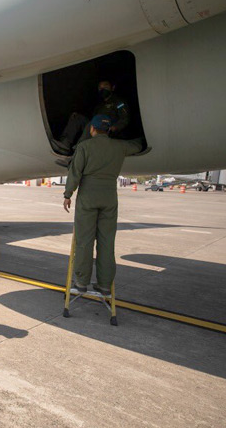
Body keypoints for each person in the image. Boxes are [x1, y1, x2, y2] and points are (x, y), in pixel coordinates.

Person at [62, 115, 144, 294]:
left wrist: (68, 194)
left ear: (92, 129)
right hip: (109, 198)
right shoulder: (119, 147)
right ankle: (105, 285)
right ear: (108, 130)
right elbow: (138, 145)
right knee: (107, 242)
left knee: (84, 241)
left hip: (88, 197)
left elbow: (75, 173)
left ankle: (82, 282)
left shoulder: (85, 147)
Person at [50, 79, 131, 155]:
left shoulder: (119, 102)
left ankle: (78, 152)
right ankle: (65, 145)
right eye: (100, 88)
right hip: (96, 128)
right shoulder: (99, 106)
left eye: (105, 87)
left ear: (112, 88)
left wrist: (115, 127)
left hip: (109, 130)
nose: (102, 90)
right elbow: (91, 119)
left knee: (93, 124)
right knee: (77, 117)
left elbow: (124, 119)